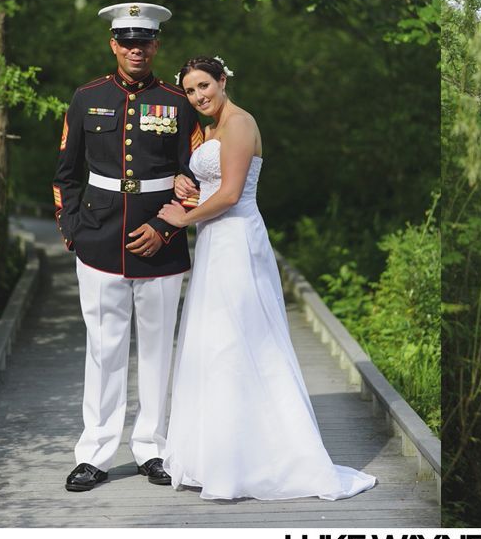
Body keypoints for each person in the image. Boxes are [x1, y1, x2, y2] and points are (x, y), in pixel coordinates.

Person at [155, 56, 376, 500]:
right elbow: (215, 184)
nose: (199, 97)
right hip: (216, 241)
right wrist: (188, 185)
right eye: (191, 91)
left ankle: (256, 459)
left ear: (222, 80)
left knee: (241, 340)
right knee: (214, 342)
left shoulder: (238, 123)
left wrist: (182, 219)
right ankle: (218, 455)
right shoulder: (213, 129)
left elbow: (233, 194)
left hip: (237, 240)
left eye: (204, 86)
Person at [53, 2, 203, 492]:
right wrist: (71, 228)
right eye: (128, 42)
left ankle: (152, 448)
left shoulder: (179, 102)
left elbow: (198, 176)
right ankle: (95, 453)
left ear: (156, 45)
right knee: (103, 350)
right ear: (114, 45)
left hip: (160, 242)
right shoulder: (86, 97)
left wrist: (167, 228)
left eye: (146, 42)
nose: (137, 49)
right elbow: (66, 173)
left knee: (159, 350)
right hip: (98, 240)